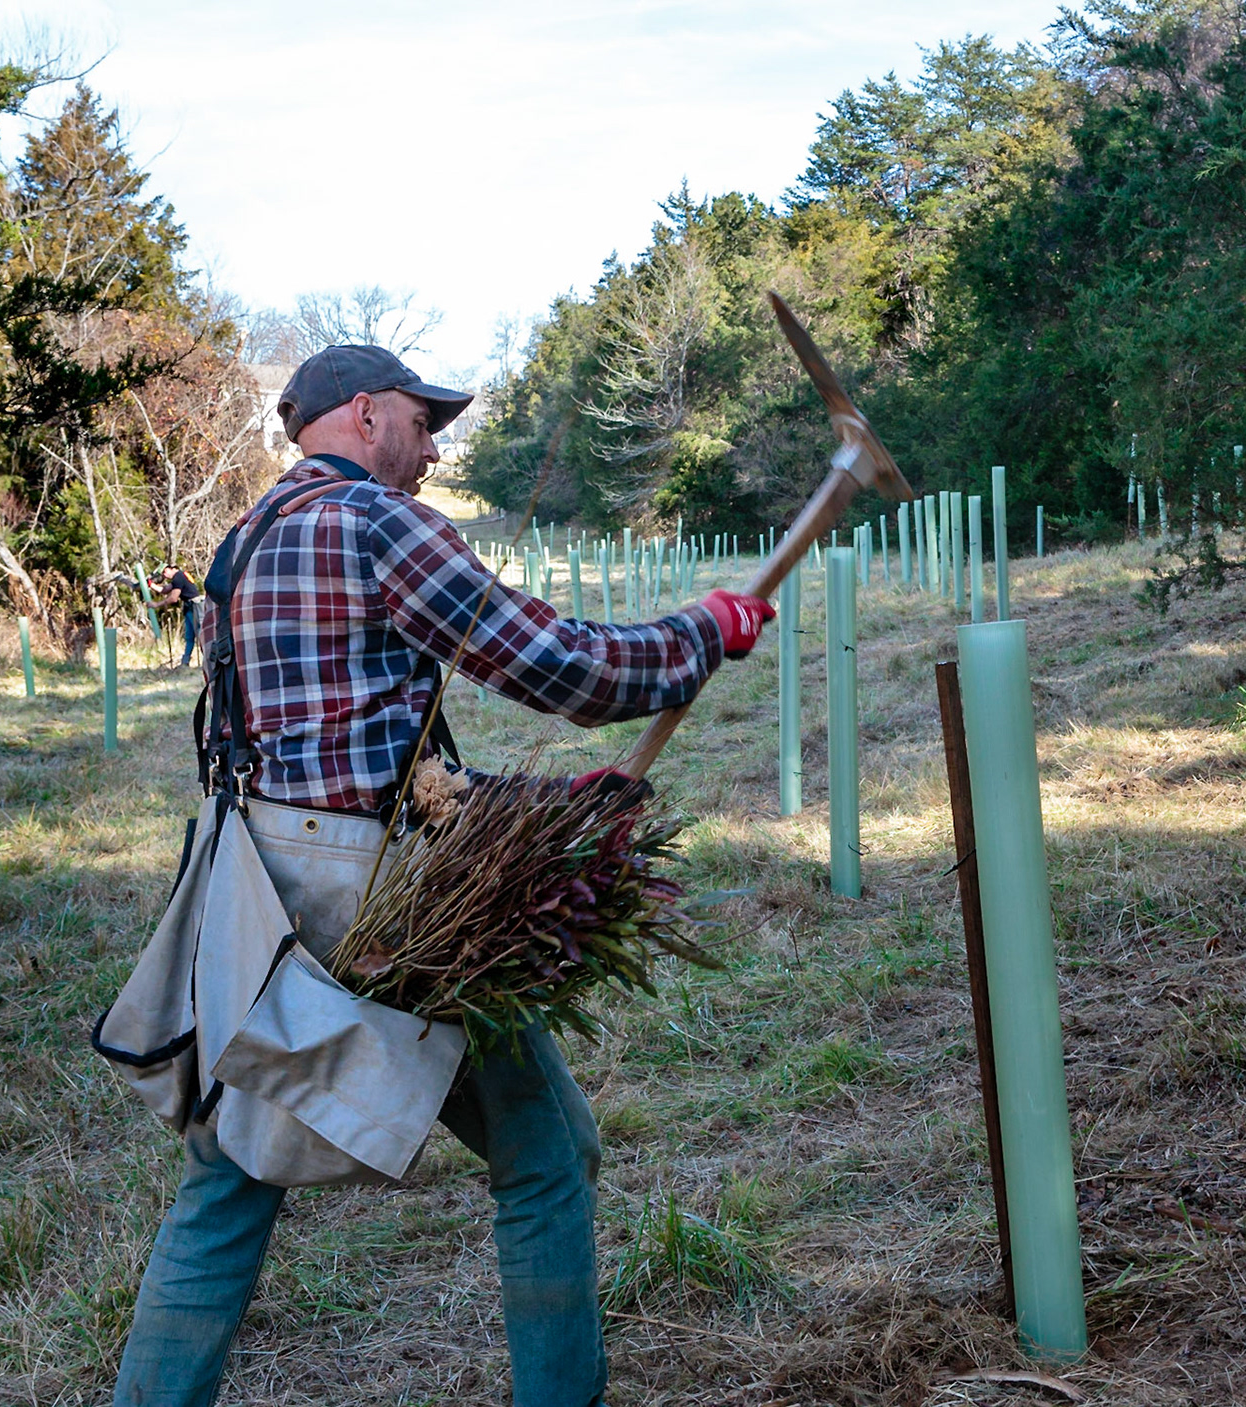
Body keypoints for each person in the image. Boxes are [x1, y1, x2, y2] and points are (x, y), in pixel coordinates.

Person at [112, 344, 774, 1407]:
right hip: (375, 897)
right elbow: (566, 667)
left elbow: (354, 742)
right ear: (365, 413)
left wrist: (529, 803)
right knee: (546, 1152)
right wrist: (703, 631)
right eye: (424, 425)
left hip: (259, 887)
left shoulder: (243, 542)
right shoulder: (376, 522)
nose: (432, 451)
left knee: (231, 1173)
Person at [149, 564, 201, 666]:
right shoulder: (180, 576)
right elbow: (164, 590)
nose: (164, 575)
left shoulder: (178, 577)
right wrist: (151, 585)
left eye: (165, 572)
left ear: (172, 568)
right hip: (189, 607)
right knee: (189, 637)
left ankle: (208, 661)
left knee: (200, 635)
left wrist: (156, 604)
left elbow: (173, 598)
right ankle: (185, 663)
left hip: (194, 607)